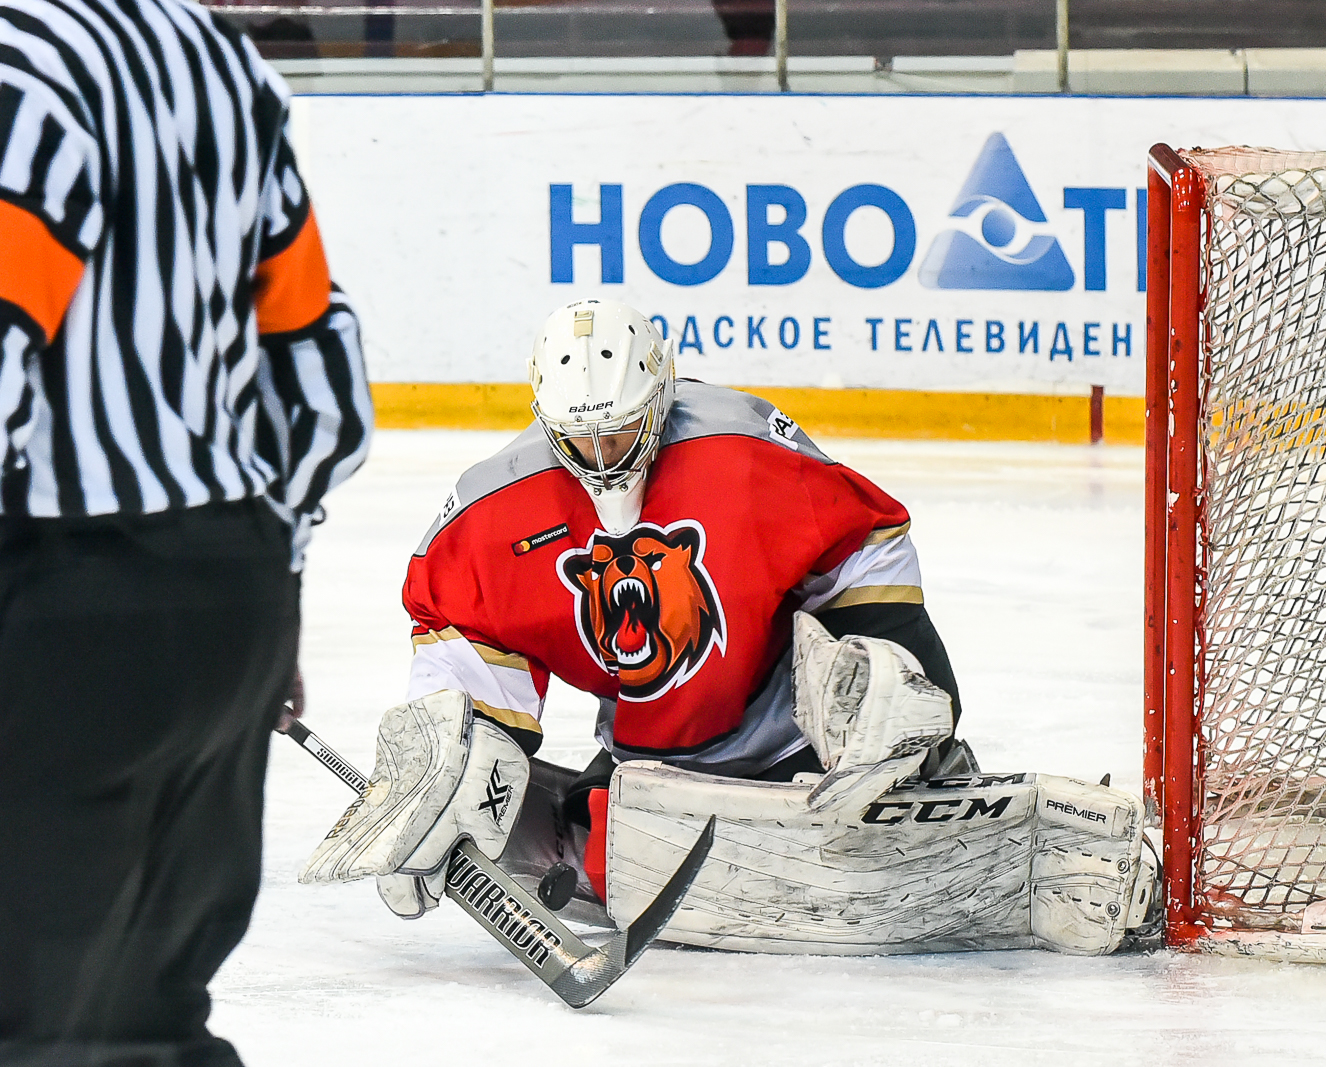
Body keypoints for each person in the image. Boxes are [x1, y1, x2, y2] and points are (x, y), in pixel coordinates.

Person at [299, 299, 971, 917]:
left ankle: (918, 769)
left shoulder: (739, 447)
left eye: (620, 432)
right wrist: (435, 777)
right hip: (649, 768)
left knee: (895, 699)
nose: (602, 457)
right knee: (494, 787)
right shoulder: (497, 511)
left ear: (662, 396)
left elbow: (860, 537)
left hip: (795, 730)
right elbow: (461, 630)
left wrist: (895, 669)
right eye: (581, 438)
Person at [0, 0, 372, 1062]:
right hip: (229, 601)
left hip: (59, 598)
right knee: (148, 1022)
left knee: (28, 1020)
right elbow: (321, 377)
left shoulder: (20, 66)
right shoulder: (220, 60)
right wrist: (275, 586)